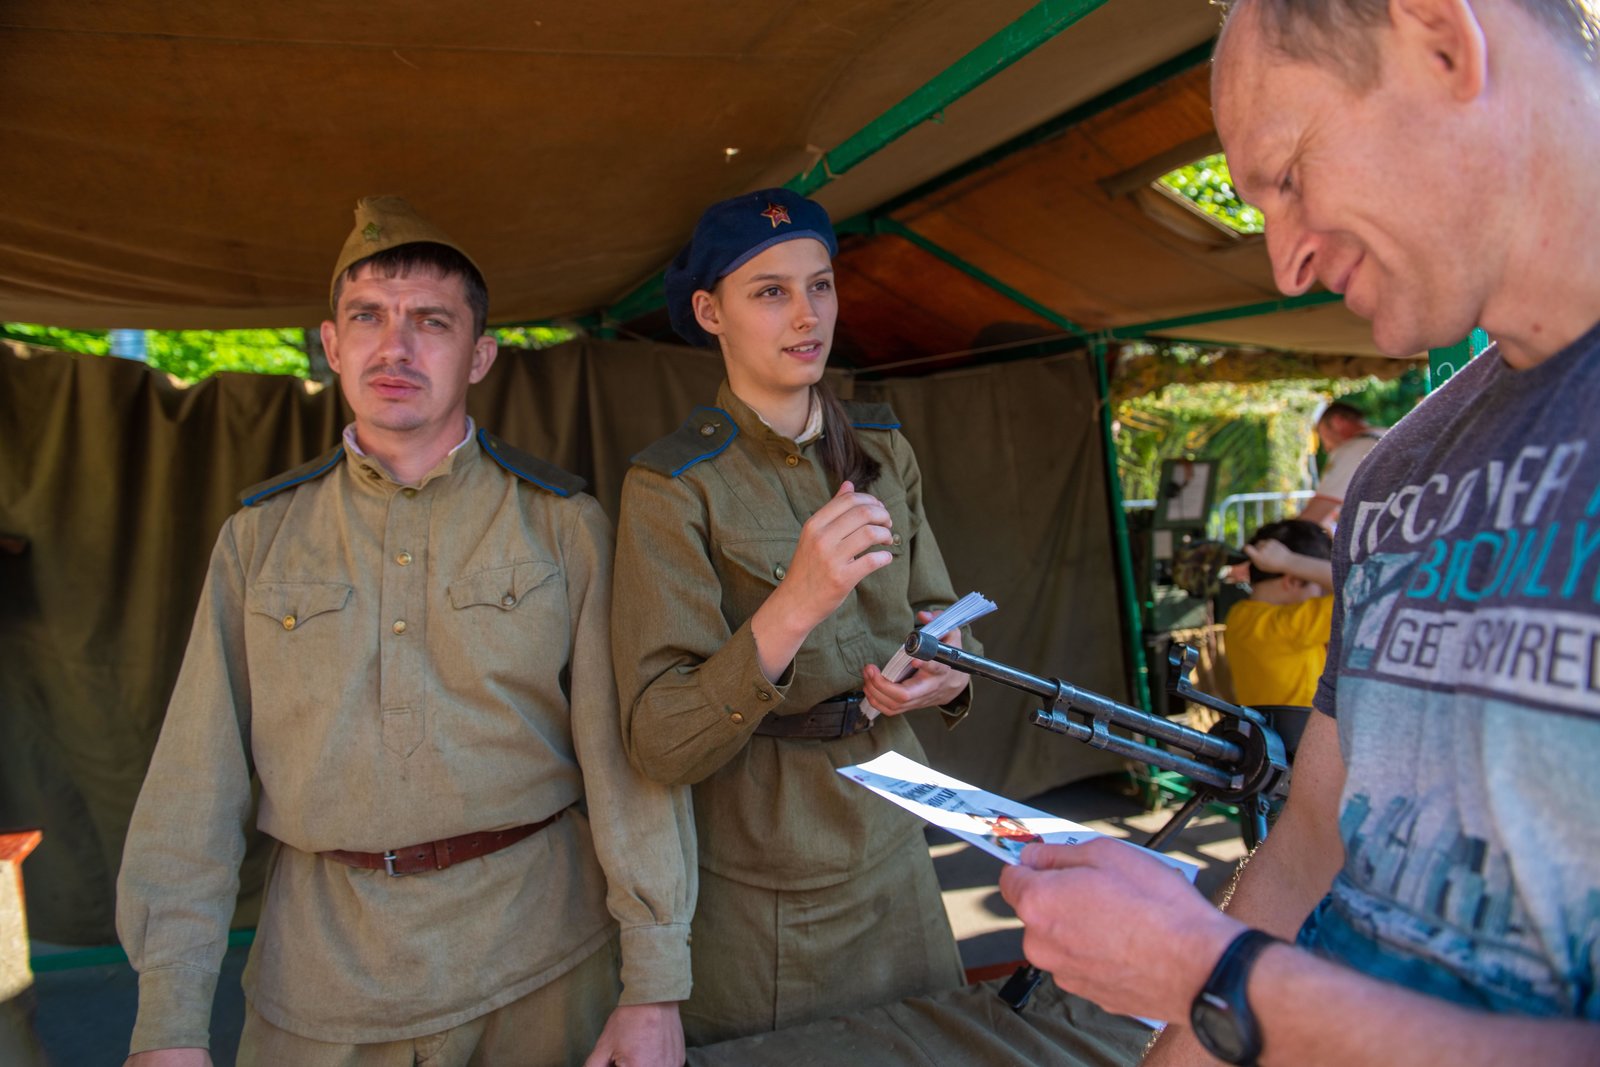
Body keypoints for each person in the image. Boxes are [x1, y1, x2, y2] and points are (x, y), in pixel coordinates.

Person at [999, 2, 1600, 1064]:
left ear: (1443, 42)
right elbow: (1310, 841)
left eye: (1286, 177)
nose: (1284, 262)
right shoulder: (1398, 476)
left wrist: (1209, 970)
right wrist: (1205, 993)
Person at [116, 197, 694, 1067]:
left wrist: (654, 981)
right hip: (323, 987)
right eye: (368, 317)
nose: (396, 346)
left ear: (480, 355)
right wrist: (167, 1023)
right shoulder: (259, 539)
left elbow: (626, 766)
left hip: (537, 969)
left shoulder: (564, 525)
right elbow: (193, 788)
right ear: (331, 342)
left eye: (432, 321)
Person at [610, 189, 973, 1045]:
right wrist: (797, 602)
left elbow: (945, 616)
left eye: (821, 285)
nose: (806, 314)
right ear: (710, 313)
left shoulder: (884, 449)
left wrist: (946, 667)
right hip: (768, 871)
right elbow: (660, 741)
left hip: (898, 834)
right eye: (769, 291)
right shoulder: (674, 486)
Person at [1226, 519, 1334, 709]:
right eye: (1319, 586)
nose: (1323, 593)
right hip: (1301, 734)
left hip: (1264, 735)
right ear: (1292, 580)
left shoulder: (1238, 615)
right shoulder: (1292, 625)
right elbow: (1361, 590)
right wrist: (1288, 561)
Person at [1298, 401, 1387, 528]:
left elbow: (1318, 513)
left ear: (1337, 422)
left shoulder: (1352, 449)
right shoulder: (1390, 436)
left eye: (1322, 435)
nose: (1326, 448)